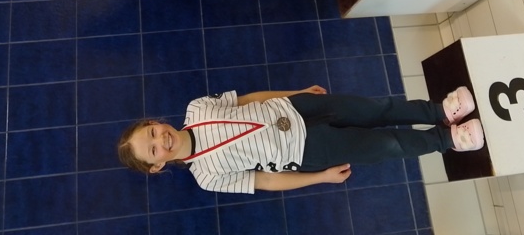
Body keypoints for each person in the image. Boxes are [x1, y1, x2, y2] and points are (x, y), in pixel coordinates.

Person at [117, 84, 484, 193]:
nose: (161, 139)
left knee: (375, 109)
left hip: (298, 109)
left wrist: (296, 93)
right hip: (305, 150)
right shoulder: (207, 176)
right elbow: (266, 180)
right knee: (386, 145)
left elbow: (249, 99)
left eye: (152, 132)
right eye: (153, 149)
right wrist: (320, 176)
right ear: (157, 166)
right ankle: (448, 139)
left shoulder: (196, 107)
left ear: (155, 122)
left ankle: (440, 110)